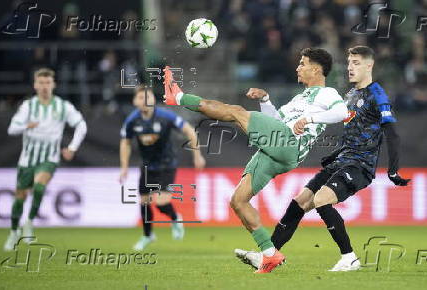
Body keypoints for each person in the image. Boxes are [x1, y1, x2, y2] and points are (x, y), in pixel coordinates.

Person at [163, 48, 349, 273]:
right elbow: (277, 121)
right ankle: (270, 254)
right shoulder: (300, 97)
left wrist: (310, 118)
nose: (297, 67)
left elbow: (342, 113)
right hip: (278, 148)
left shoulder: (327, 93)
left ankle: (179, 96)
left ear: (316, 69)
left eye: (302, 63)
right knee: (238, 200)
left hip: (288, 143)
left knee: (236, 112)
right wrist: (266, 100)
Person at [235, 45, 411, 272]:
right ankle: (267, 256)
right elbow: (354, 133)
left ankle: (349, 257)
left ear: (370, 65)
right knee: (299, 202)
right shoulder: (350, 95)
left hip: (360, 165)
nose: (350, 68)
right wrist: (334, 155)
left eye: (356, 63)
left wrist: (393, 170)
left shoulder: (377, 95)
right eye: (348, 63)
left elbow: (392, 133)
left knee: (321, 200)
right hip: (342, 161)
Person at [4, 68, 87, 251]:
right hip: (26, 160)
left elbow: (81, 125)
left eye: (47, 83)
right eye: (40, 83)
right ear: (35, 85)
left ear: (53, 85)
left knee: (40, 186)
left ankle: (30, 222)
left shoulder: (63, 106)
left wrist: (72, 147)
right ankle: (13, 232)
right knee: (20, 198)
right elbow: (11, 129)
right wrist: (27, 125)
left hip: (49, 157)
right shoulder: (28, 106)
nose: (44, 87)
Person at [120, 86, 205, 250]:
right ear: (134, 101)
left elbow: (189, 131)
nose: (145, 100)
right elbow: (125, 143)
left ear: (153, 99)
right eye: (140, 97)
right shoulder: (132, 120)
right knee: (144, 201)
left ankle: (175, 218)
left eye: (148, 96)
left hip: (166, 164)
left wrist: (197, 155)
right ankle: (147, 236)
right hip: (146, 166)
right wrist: (124, 167)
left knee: (159, 202)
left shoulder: (165, 116)